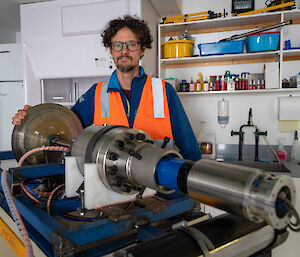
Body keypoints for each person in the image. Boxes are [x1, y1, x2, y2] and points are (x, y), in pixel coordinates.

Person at [12, 15, 201, 161]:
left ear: (142, 49)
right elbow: (66, 127)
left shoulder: (164, 91)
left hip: (159, 192)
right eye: (117, 45)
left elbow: (190, 150)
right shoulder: (96, 93)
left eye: (131, 45)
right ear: (111, 50)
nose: (124, 51)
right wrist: (32, 118)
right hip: (110, 192)